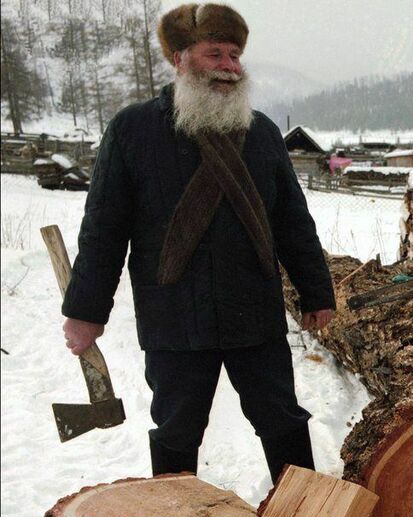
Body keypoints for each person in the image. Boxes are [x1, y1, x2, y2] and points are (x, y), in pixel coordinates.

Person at [60, 3, 336, 483]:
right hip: (173, 316)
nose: (230, 67)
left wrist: (317, 294)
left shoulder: (263, 132)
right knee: (176, 430)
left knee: (283, 420)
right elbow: (103, 228)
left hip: (254, 311)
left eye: (234, 55)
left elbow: (293, 221)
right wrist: (86, 311)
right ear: (179, 58)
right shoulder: (133, 129)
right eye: (215, 54)